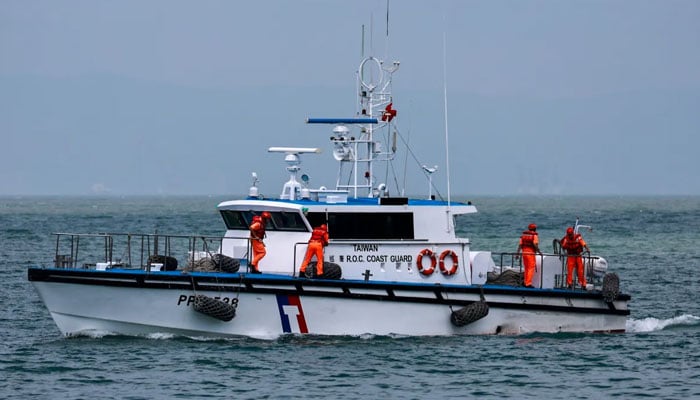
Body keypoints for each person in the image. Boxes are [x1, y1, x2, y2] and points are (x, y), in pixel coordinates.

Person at [516, 223, 542, 288]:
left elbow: (520, 245)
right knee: (531, 268)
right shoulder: (534, 236)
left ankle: (525, 282)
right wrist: (539, 252)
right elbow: (535, 245)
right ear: (535, 229)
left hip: (524, 253)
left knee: (526, 268)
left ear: (529, 228)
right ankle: (528, 283)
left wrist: (517, 254)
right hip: (531, 253)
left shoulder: (523, 235)